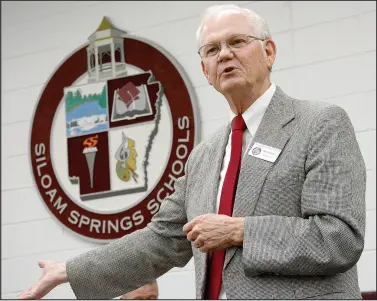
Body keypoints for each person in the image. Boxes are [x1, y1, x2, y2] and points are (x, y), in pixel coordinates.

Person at [17, 4, 366, 300]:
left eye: (237, 42)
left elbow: (340, 238)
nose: (225, 54)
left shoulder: (320, 123)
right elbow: (160, 241)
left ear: (269, 52)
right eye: (212, 50)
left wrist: (240, 231)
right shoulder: (203, 157)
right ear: (206, 71)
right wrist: (69, 271)